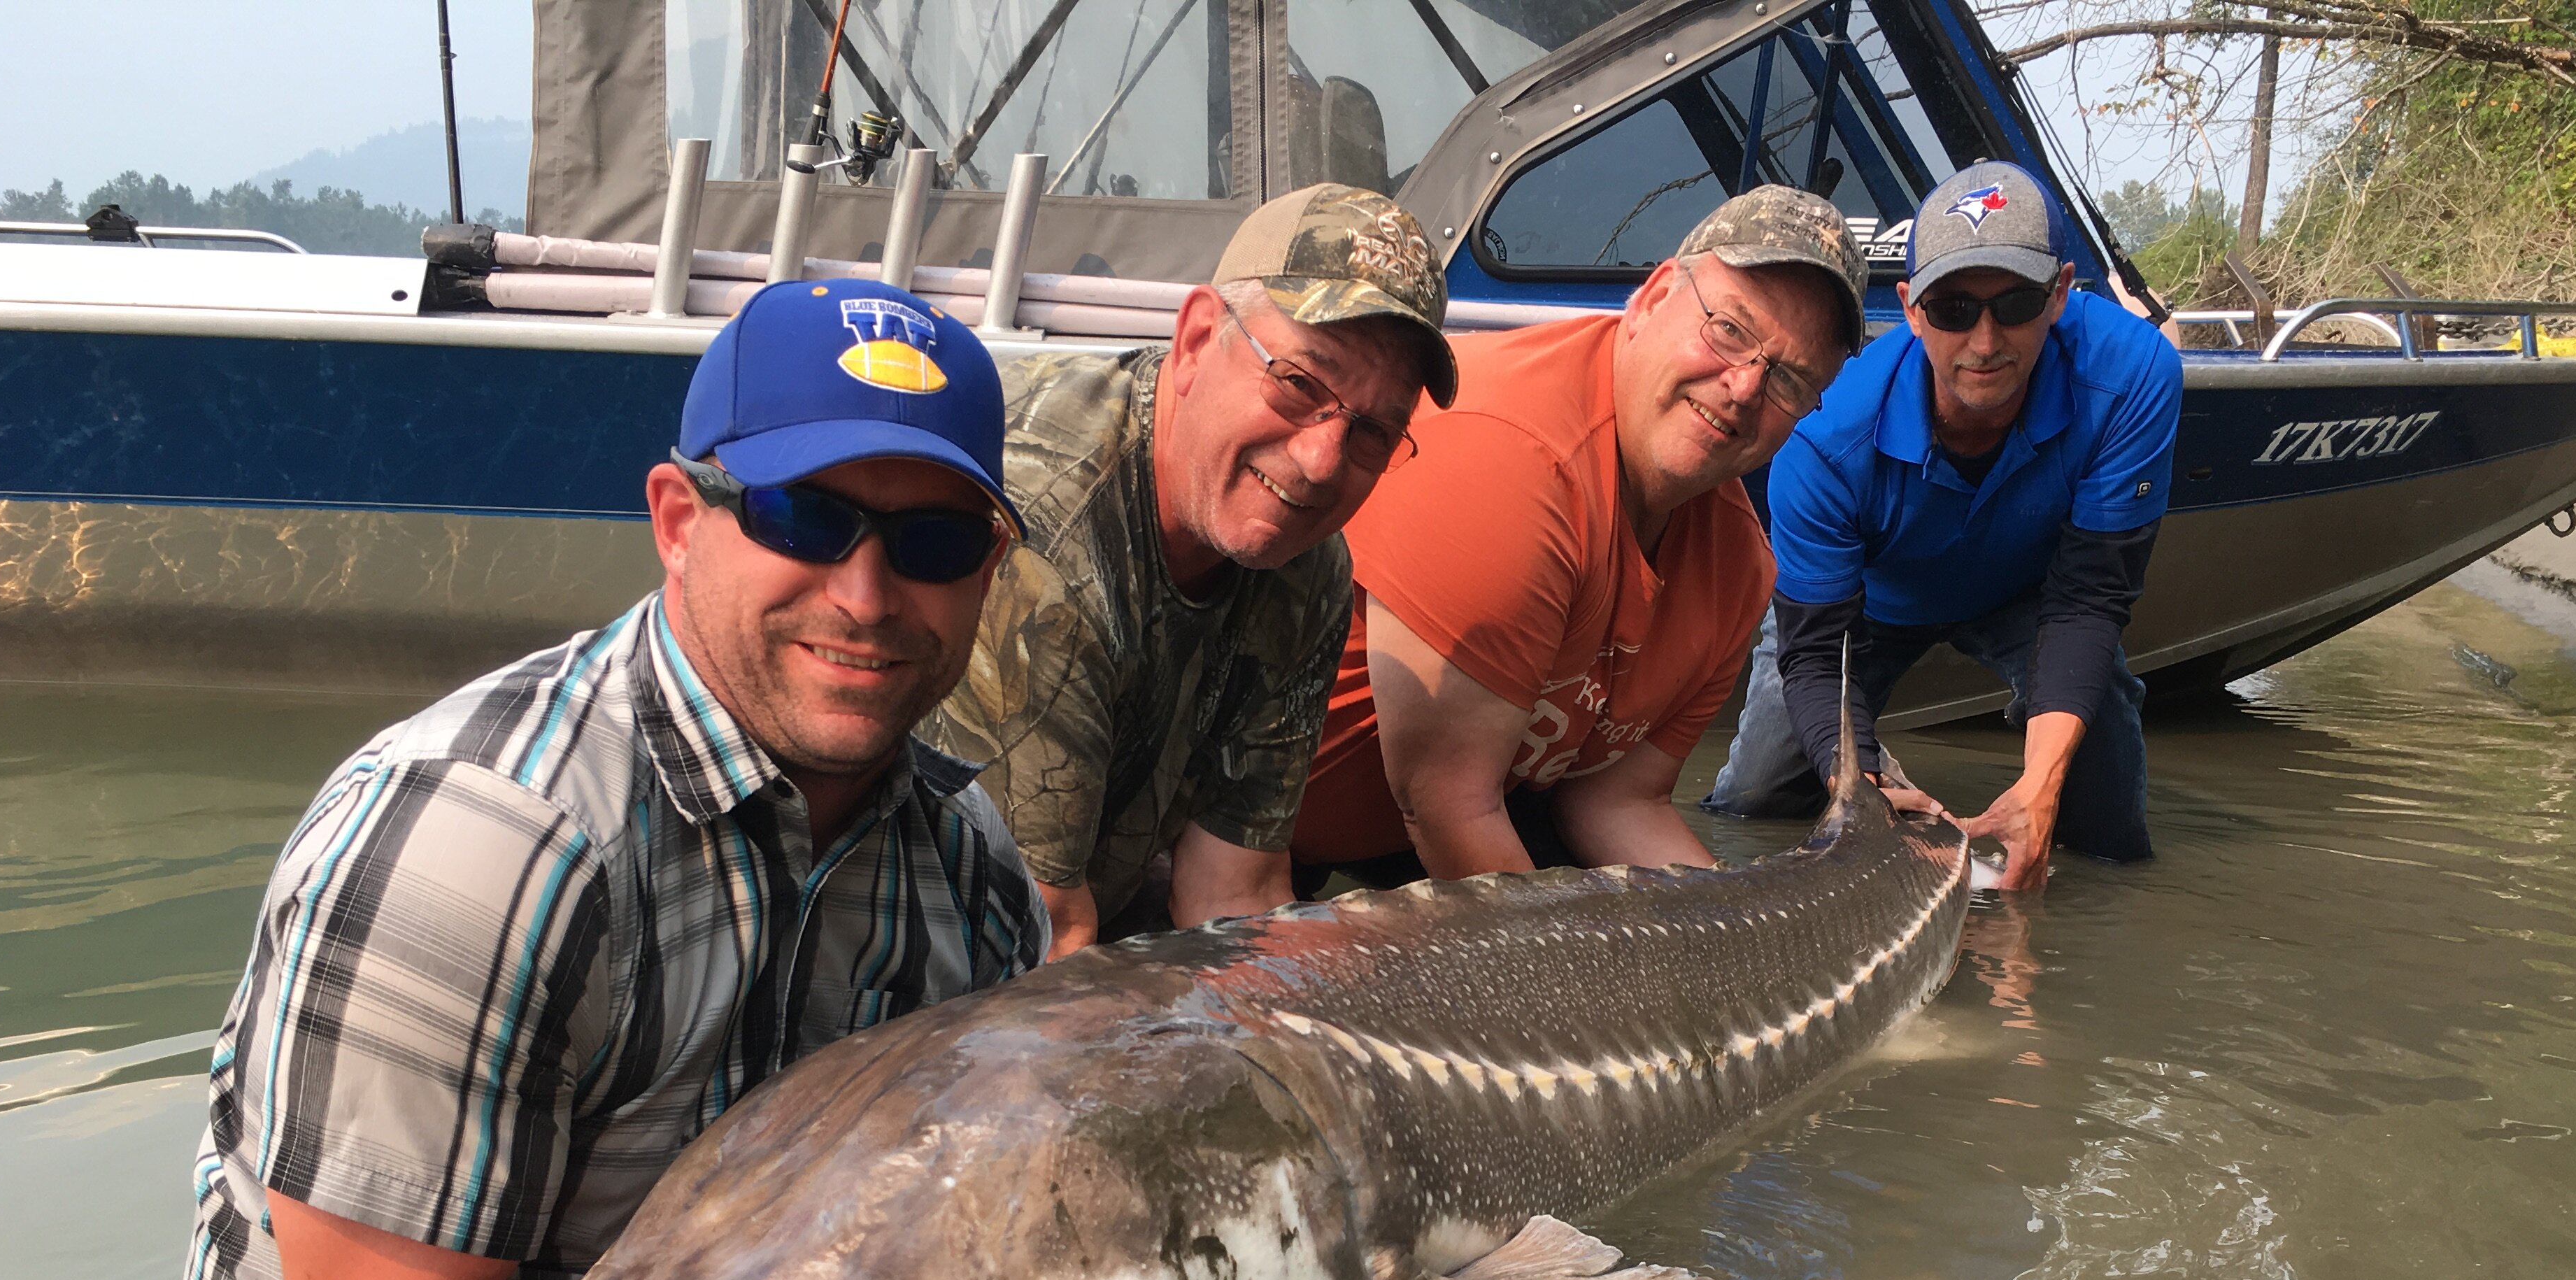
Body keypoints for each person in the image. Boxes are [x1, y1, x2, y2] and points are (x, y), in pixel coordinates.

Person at [183, 278, 1046, 1280]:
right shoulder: (475, 842)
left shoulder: (975, 870)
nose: (865, 596)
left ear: (988, 569)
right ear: (678, 519)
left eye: (935, 542)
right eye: (804, 516)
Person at [920, 183, 1455, 957]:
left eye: (1374, 430)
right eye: (1300, 384)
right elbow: (1042, 940)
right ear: (1199, 338)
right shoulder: (1049, 541)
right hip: (927, 963)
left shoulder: (1308, 567)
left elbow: (1232, 893)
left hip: (1087, 911)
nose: (1318, 462)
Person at [1286, 187, 1866, 888]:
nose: (1744, 387)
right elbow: (1444, 802)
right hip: (1273, 839)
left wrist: (1748, 933)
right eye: (1730, 330)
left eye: (1791, 380)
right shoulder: (1513, 454)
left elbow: (1616, 799)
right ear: (1652, 298)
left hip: (1463, 823)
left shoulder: (1741, 569)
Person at [1705, 161, 2183, 890]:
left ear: (2060, 294)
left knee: (2105, 798)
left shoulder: (2135, 373)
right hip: (1868, 602)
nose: (1985, 342)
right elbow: (1815, 652)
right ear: (1912, 307)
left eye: (2016, 304)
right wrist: (1858, 781)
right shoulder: (1825, 430)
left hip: (2029, 591)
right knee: (1756, 797)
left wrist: (2043, 786)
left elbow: (2091, 596)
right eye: (1955, 309)